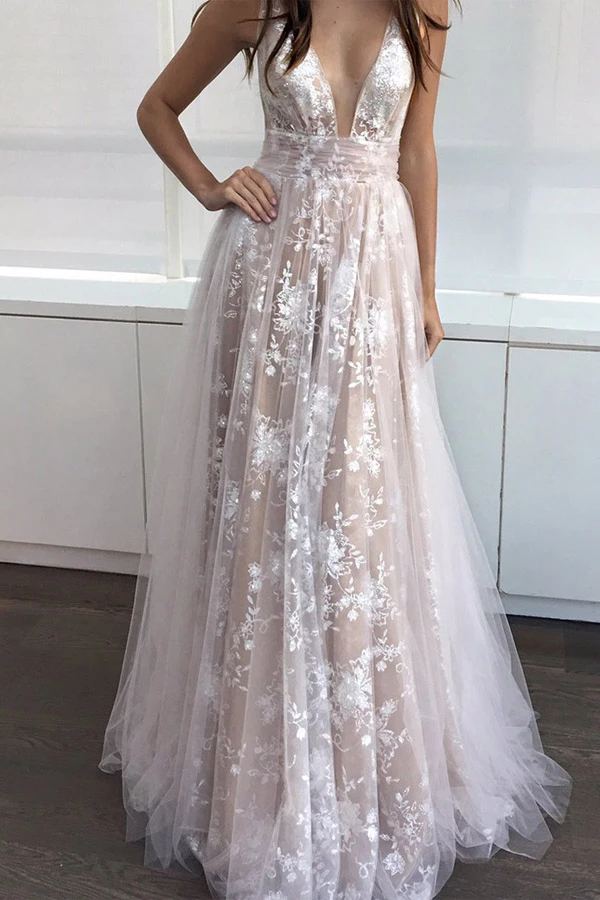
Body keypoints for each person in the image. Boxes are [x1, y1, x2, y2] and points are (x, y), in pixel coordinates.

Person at [99, 1, 573, 898]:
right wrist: (210, 186)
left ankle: (363, 742)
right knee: (268, 505)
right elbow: (157, 107)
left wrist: (426, 288)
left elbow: (416, 151)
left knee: (360, 506)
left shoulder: (424, 6)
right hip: (271, 274)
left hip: (374, 271)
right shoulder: (254, 5)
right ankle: (258, 752)